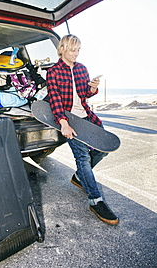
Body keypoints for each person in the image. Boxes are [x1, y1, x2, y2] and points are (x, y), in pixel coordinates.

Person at [46, 34, 119, 225]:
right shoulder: (53, 72)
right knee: (83, 157)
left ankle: (79, 176)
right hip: (70, 119)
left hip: (88, 116)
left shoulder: (82, 69)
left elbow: (85, 95)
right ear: (62, 49)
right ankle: (96, 201)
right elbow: (54, 99)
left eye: (78, 50)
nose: (76, 53)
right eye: (73, 50)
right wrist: (63, 122)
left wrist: (93, 88)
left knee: (103, 149)